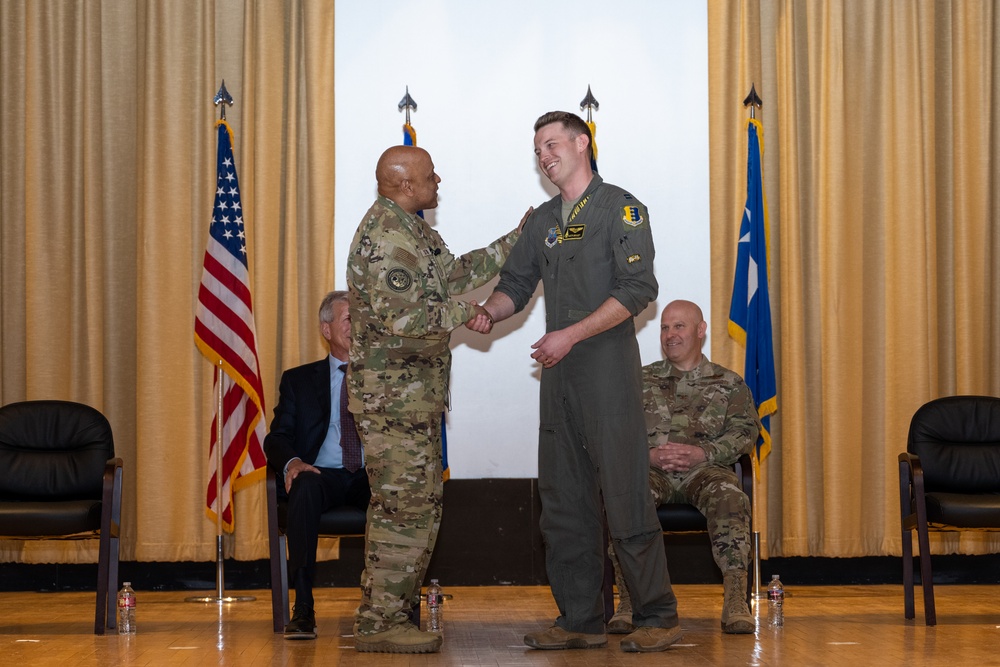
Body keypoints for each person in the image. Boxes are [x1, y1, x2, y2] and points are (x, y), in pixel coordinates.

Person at [469, 111, 682, 653]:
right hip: (558, 376)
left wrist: (573, 334)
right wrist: (490, 313)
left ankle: (656, 616)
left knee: (625, 493)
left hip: (606, 371)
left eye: (551, 143)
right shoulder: (542, 220)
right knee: (563, 501)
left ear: (582, 143)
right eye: (537, 149)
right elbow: (516, 282)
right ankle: (581, 620)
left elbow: (639, 288)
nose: (543, 155)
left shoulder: (622, 208)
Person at [346, 144, 526, 654]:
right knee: (402, 510)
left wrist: (517, 239)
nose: (438, 179)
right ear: (404, 185)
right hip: (391, 402)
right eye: (429, 175)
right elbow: (403, 320)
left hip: (414, 399)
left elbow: (453, 273)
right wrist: (467, 313)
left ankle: (391, 616)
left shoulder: (413, 228)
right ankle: (379, 623)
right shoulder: (384, 238)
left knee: (419, 508)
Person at [607, 299, 759, 636]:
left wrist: (702, 452)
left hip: (705, 471)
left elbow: (745, 433)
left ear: (701, 330)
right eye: (664, 327)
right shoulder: (638, 379)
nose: (670, 334)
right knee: (628, 497)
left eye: (679, 326)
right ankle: (629, 600)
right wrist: (646, 456)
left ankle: (736, 600)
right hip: (650, 470)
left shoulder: (728, 382)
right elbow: (615, 430)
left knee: (731, 497)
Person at [263, 290, 371, 640]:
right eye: (349, 319)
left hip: (371, 476)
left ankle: (393, 607)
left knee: (399, 492)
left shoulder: (384, 377)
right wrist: (294, 463)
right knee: (304, 486)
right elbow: (276, 438)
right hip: (322, 475)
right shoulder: (299, 380)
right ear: (327, 330)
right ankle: (304, 608)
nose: (358, 326)